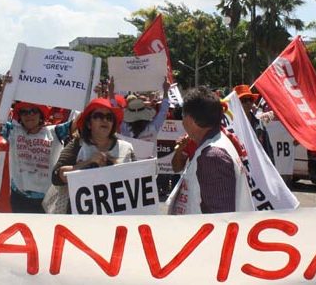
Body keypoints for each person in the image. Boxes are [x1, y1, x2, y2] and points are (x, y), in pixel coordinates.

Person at [0, 74, 73, 213]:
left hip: (47, 200)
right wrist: (5, 90)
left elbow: (80, 122)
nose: (29, 115)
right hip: (19, 198)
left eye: (33, 111)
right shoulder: (13, 132)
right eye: (24, 112)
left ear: (41, 116)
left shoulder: (55, 132)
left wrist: (96, 96)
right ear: (20, 117)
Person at [166, 87, 254, 215]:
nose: (182, 120)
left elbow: (220, 217)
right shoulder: (216, 144)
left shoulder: (213, 157)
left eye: (182, 115)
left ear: (190, 120)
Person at [51, 97, 135, 213]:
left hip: (116, 215)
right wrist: (88, 162)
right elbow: (56, 177)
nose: (105, 120)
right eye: (99, 116)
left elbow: (137, 182)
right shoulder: (78, 145)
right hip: (82, 216)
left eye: (109, 117)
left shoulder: (127, 148)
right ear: (89, 124)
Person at [118, 78, 170, 147]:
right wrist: (166, 90)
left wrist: (111, 92)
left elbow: (115, 112)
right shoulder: (153, 127)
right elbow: (163, 110)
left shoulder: (125, 128)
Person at [234, 84, 275, 164]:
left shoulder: (259, 124)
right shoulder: (232, 126)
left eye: (250, 99)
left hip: (258, 165)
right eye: (244, 100)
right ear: (236, 103)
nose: (248, 102)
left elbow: (267, 149)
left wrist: (271, 166)